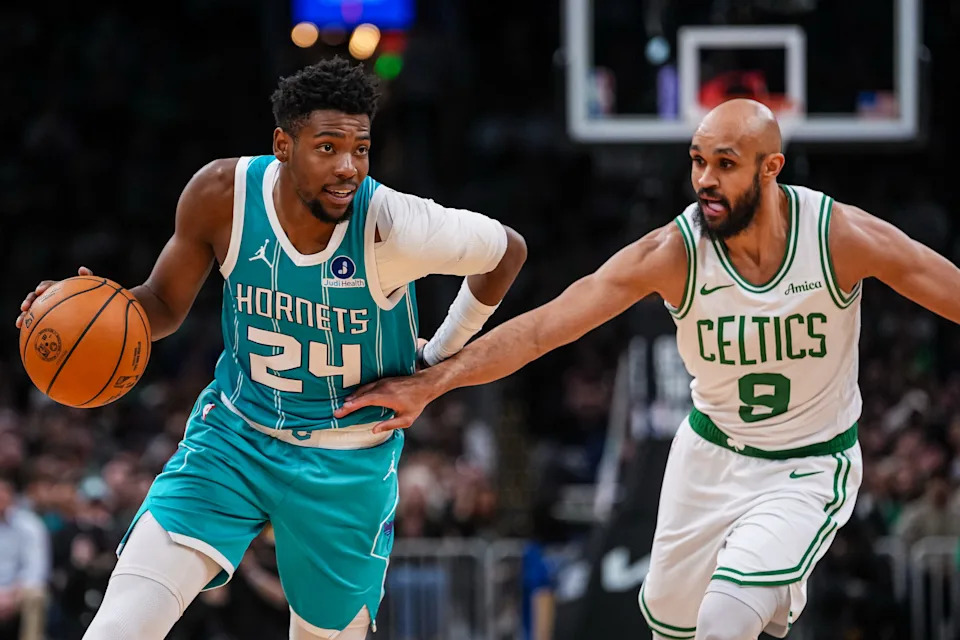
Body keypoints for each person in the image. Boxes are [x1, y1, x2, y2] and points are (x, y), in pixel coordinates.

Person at [336, 98, 960, 639]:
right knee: (671, 623)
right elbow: (547, 327)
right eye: (697, 160)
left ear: (771, 170)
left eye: (725, 164)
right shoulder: (673, 252)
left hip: (807, 462)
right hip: (710, 454)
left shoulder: (838, 237)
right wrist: (434, 382)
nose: (704, 180)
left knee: (724, 623)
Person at [15, 57, 527, 640]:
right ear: (283, 144)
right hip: (236, 435)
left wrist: (437, 360)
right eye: (327, 148)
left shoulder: (394, 226)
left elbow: (507, 252)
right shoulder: (221, 196)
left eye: (360, 149)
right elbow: (159, 303)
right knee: (119, 626)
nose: (348, 168)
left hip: (347, 460)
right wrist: (94, 305)